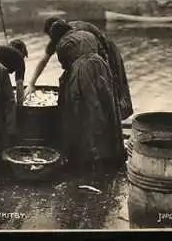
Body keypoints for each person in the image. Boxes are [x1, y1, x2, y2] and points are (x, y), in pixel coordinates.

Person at [50, 22, 126, 170]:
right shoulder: (87, 34)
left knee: (86, 110)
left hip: (82, 71)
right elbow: (101, 51)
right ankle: (112, 152)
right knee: (106, 105)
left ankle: (90, 156)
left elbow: (66, 66)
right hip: (101, 67)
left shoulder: (62, 43)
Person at [25, 17, 133, 120]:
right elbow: (44, 60)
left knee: (111, 89)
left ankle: (112, 120)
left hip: (106, 51)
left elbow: (102, 50)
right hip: (91, 59)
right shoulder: (60, 34)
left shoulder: (79, 30)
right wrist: (31, 83)